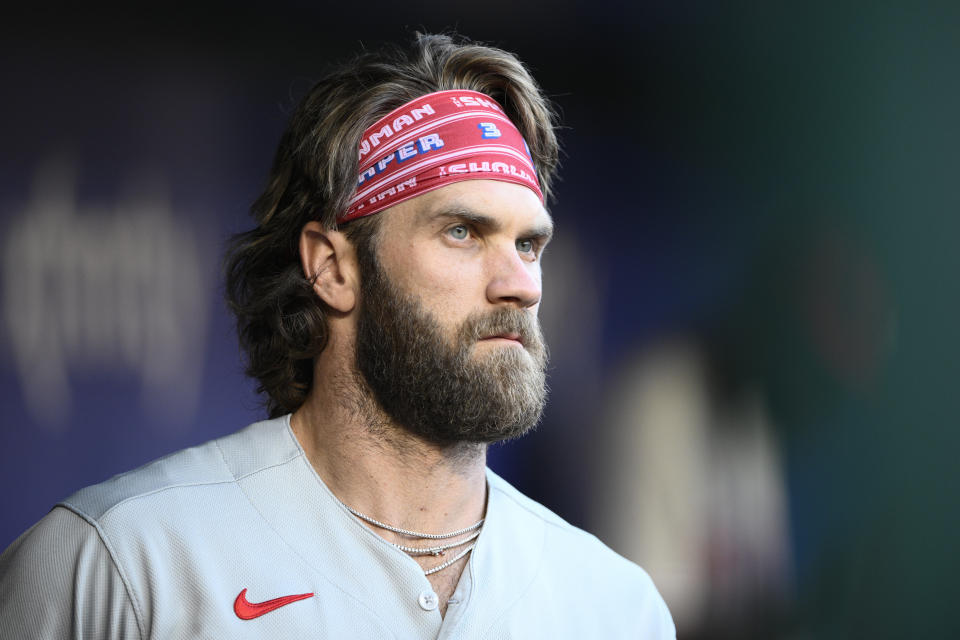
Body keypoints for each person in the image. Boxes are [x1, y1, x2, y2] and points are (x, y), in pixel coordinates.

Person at [0, 33, 675, 638]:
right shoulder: (126, 562)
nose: (521, 285)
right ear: (333, 266)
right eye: (463, 232)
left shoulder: (616, 607)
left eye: (529, 245)